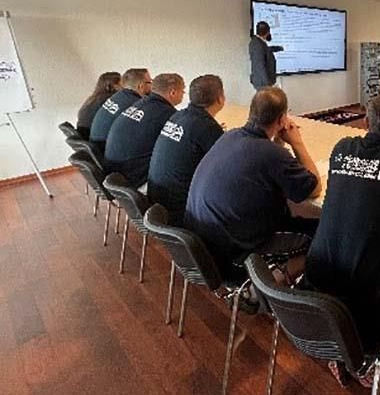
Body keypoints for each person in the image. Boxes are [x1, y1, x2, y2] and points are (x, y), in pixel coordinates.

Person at [304, 94, 380, 382]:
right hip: (364, 279)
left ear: (365, 121)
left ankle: (342, 341)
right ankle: (367, 350)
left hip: (318, 267)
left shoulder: (341, 146)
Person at [184, 87, 321, 282]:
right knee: (323, 236)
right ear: (282, 120)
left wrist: (278, 144)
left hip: (204, 248)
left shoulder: (229, 136)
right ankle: (262, 289)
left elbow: (268, 160)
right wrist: (297, 143)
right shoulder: (271, 153)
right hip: (235, 256)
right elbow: (314, 188)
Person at [147, 75, 226, 225]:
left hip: (158, 201)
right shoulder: (207, 127)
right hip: (181, 209)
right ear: (220, 99)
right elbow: (228, 167)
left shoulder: (178, 115)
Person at [104, 73, 185, 187]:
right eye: (183, 91)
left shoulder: (141, 103)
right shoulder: (167, 113)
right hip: (132, 178)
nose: (183, 94)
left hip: (115, 171)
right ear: (173, 92)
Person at [89, 68, 152, 153]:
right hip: (105, 150)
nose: (152, 86)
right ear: (141, 86)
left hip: (96, 146)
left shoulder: (119, 96)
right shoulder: (135, 104)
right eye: (150, 82)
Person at [76, 72, 121, 139]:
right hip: (92, 136)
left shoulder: (93, 98)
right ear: (113, 85)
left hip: (84, 134)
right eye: (122, 83)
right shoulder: (109, 99)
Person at [249, 20, 284, 90]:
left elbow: (265, 50)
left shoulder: (258, 42)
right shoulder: (257, 45)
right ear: (268, 32)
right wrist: (268, 84)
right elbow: (260, 65)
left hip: (263, 82)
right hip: (263, 84)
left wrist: (278, 48)